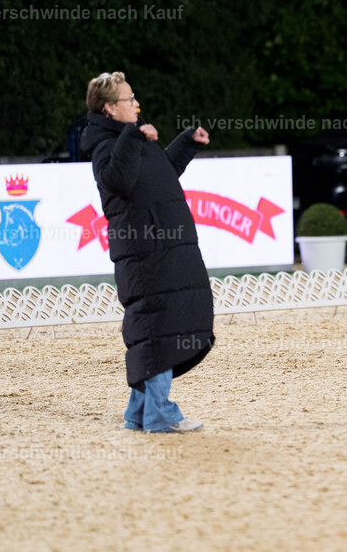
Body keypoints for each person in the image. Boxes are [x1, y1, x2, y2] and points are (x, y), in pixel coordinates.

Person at [80, 71, 214, 434]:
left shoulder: (129, 138)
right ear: (109, 108)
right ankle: (160, 414)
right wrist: (133, 136)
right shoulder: (107, 145)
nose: (136, 104)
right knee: (159, 328)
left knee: (158, 326)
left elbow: (159, 175)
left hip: (161, 248)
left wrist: (186, 143)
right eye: (128, 99)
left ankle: (139, 412)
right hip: (145, 251)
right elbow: (118, 180)